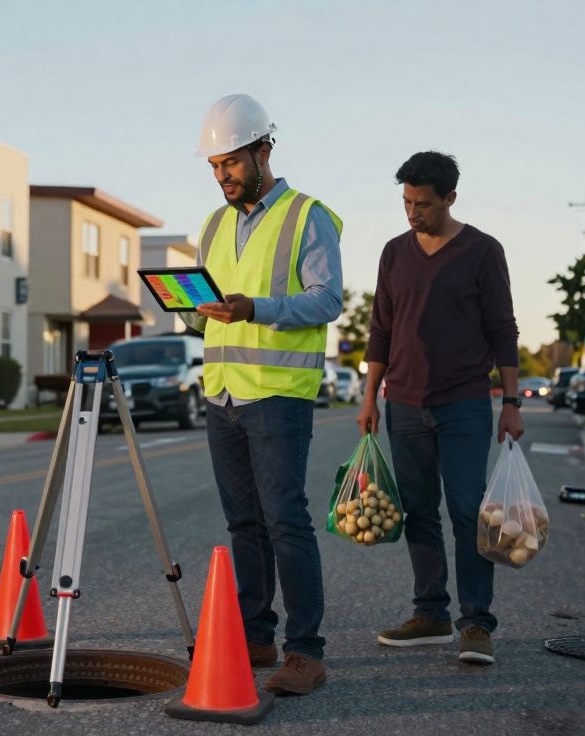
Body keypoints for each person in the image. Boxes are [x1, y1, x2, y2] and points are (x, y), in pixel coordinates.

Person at [182, 94, 344, 695]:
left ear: (263, 151)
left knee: (285, 521)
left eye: (231, 163)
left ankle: (307, 652)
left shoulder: (309, 216)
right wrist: (193, 313)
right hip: (222, 392)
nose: (223, 176)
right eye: (214, 166)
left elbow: (328, 299)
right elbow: (215, 310)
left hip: (278, 393)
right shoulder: (214, 225)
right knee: (243, 522)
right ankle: (256, 634)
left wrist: (258, 309)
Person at [357, 151, 523, 666]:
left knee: (468, 513)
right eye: (406, 202)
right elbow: (381, 328)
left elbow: (503, 330)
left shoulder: (482, 251)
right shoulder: (393, 252)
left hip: (464, 405)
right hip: (403, 404)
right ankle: (430, 613)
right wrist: (369, 397)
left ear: (450, 198)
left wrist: (512, 402)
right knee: (418, 512)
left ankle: (475, 624)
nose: (412, 213)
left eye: (423, 204)